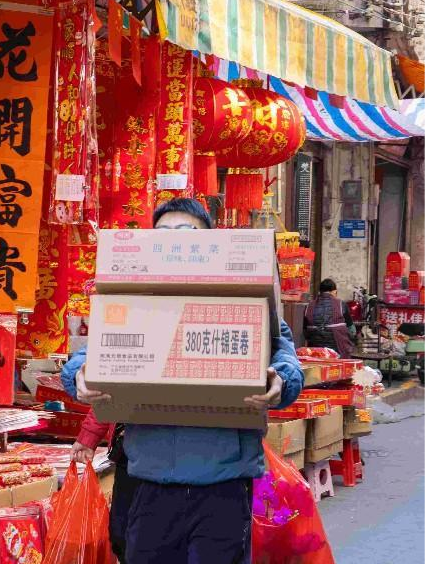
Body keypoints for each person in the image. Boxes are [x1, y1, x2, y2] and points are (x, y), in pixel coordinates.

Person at [76, 198, 304, 564]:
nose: (174, 244)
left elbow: (284, 354)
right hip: (150, 485)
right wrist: (79, 374)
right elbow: (91, 354)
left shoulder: (244, 298)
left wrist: (282, 382)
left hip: (222, 486)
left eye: (187, 233)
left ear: (209, 243)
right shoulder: (135, 299)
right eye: (163, 234)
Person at [61, 351, 136, 564]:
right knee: (122, 534)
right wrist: (88, 436)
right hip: (131, 453)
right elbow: (109, 396)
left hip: (200, 465)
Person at [303, 278, 355, 358]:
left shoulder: (309, 306)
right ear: (334, 291)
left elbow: (305, 331)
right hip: (338, 349)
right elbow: (352, 330)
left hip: (315, 349)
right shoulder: (341, 304)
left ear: (320, 292)